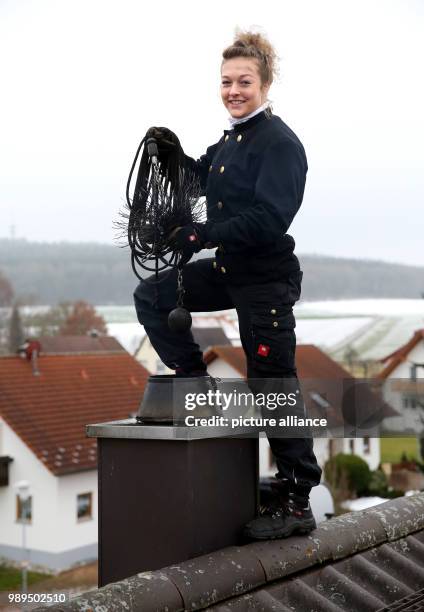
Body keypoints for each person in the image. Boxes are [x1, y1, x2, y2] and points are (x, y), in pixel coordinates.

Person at [134, 29, 322, 539]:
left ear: (264, 83)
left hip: (265, 281)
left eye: (244, 81)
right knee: (151, 296)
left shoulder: (279, 144)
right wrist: (174, 160)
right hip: (228, 271)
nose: (233, 90)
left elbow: (268, 218)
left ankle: (296, 498)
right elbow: (206, 179)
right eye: (226, 82)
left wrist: (202, 232)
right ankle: (197, 381)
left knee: (273, 383)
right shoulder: (232, 138)